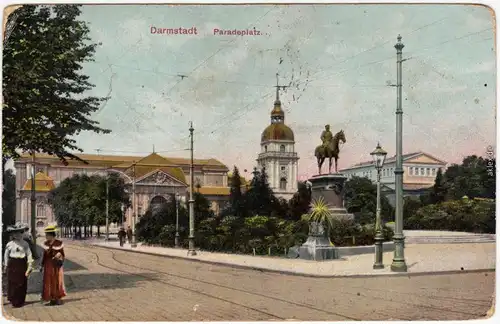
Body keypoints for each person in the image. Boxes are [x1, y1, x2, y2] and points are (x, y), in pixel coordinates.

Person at [3, 224, 34, 308]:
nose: (17, 235)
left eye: (20, 233)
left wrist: (30, 266)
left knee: (21, 282)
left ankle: (20, 300)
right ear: (12, 235)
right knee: (12, 282)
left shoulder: (25, 244)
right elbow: (6, 255)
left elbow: (29, 254)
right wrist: (5, 265)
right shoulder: (10, 244)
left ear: (22, 233)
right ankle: (13, 300)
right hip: (12, 264)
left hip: (21, 264)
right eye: (15, 233)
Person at [41, 225, 66, 306]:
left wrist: (59, 255)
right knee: (48, 281)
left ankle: (58, 298)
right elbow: (44, 256)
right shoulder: (46, 243)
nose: (46, 236)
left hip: (56, 265)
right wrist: (41, 265)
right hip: (48, 265)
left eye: (47, 235)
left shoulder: (59, 243)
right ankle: (50, 298)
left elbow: (62, 254)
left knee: (57, 281)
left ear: (51, 235)